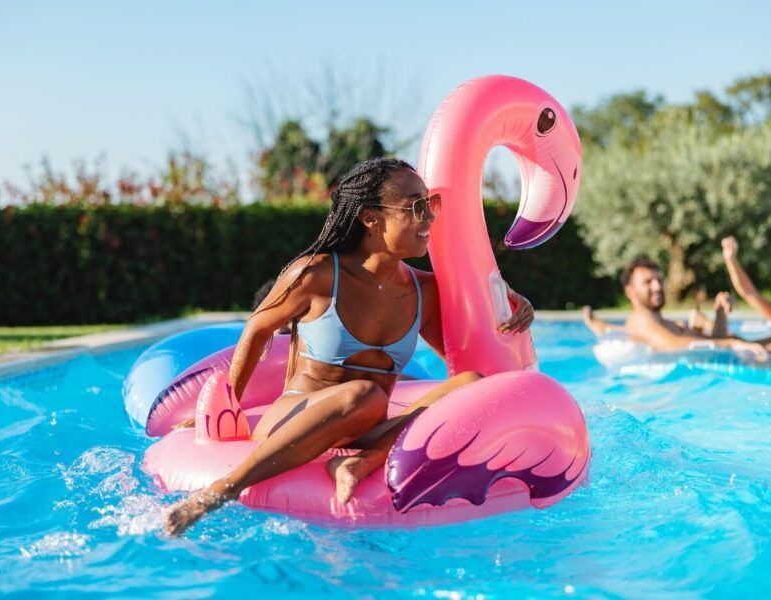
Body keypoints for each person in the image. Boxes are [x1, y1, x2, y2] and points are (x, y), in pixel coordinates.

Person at [164, 158, 535, 535]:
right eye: (415, 206)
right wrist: (232, 403)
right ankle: (222, 490)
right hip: (296, 419)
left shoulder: (425, 291)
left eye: (431, 204)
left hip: (370, 431)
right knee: (367, 396)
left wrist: (502, 301)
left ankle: (361, 462)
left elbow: (462, 365)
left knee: (471, 382)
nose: (428, 218)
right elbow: (257, 329)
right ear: (371, 218)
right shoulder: (318, 273)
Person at [582, 257, 767, 356]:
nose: (657, 286)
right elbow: (671, 344)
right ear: (630, 292)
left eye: (659, 280)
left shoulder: (668, 323)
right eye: (648, 282)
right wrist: (732, 344)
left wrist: (721, 314)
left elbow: (713, 342)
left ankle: (601, 325)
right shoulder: (641, 322)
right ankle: (600, 326)